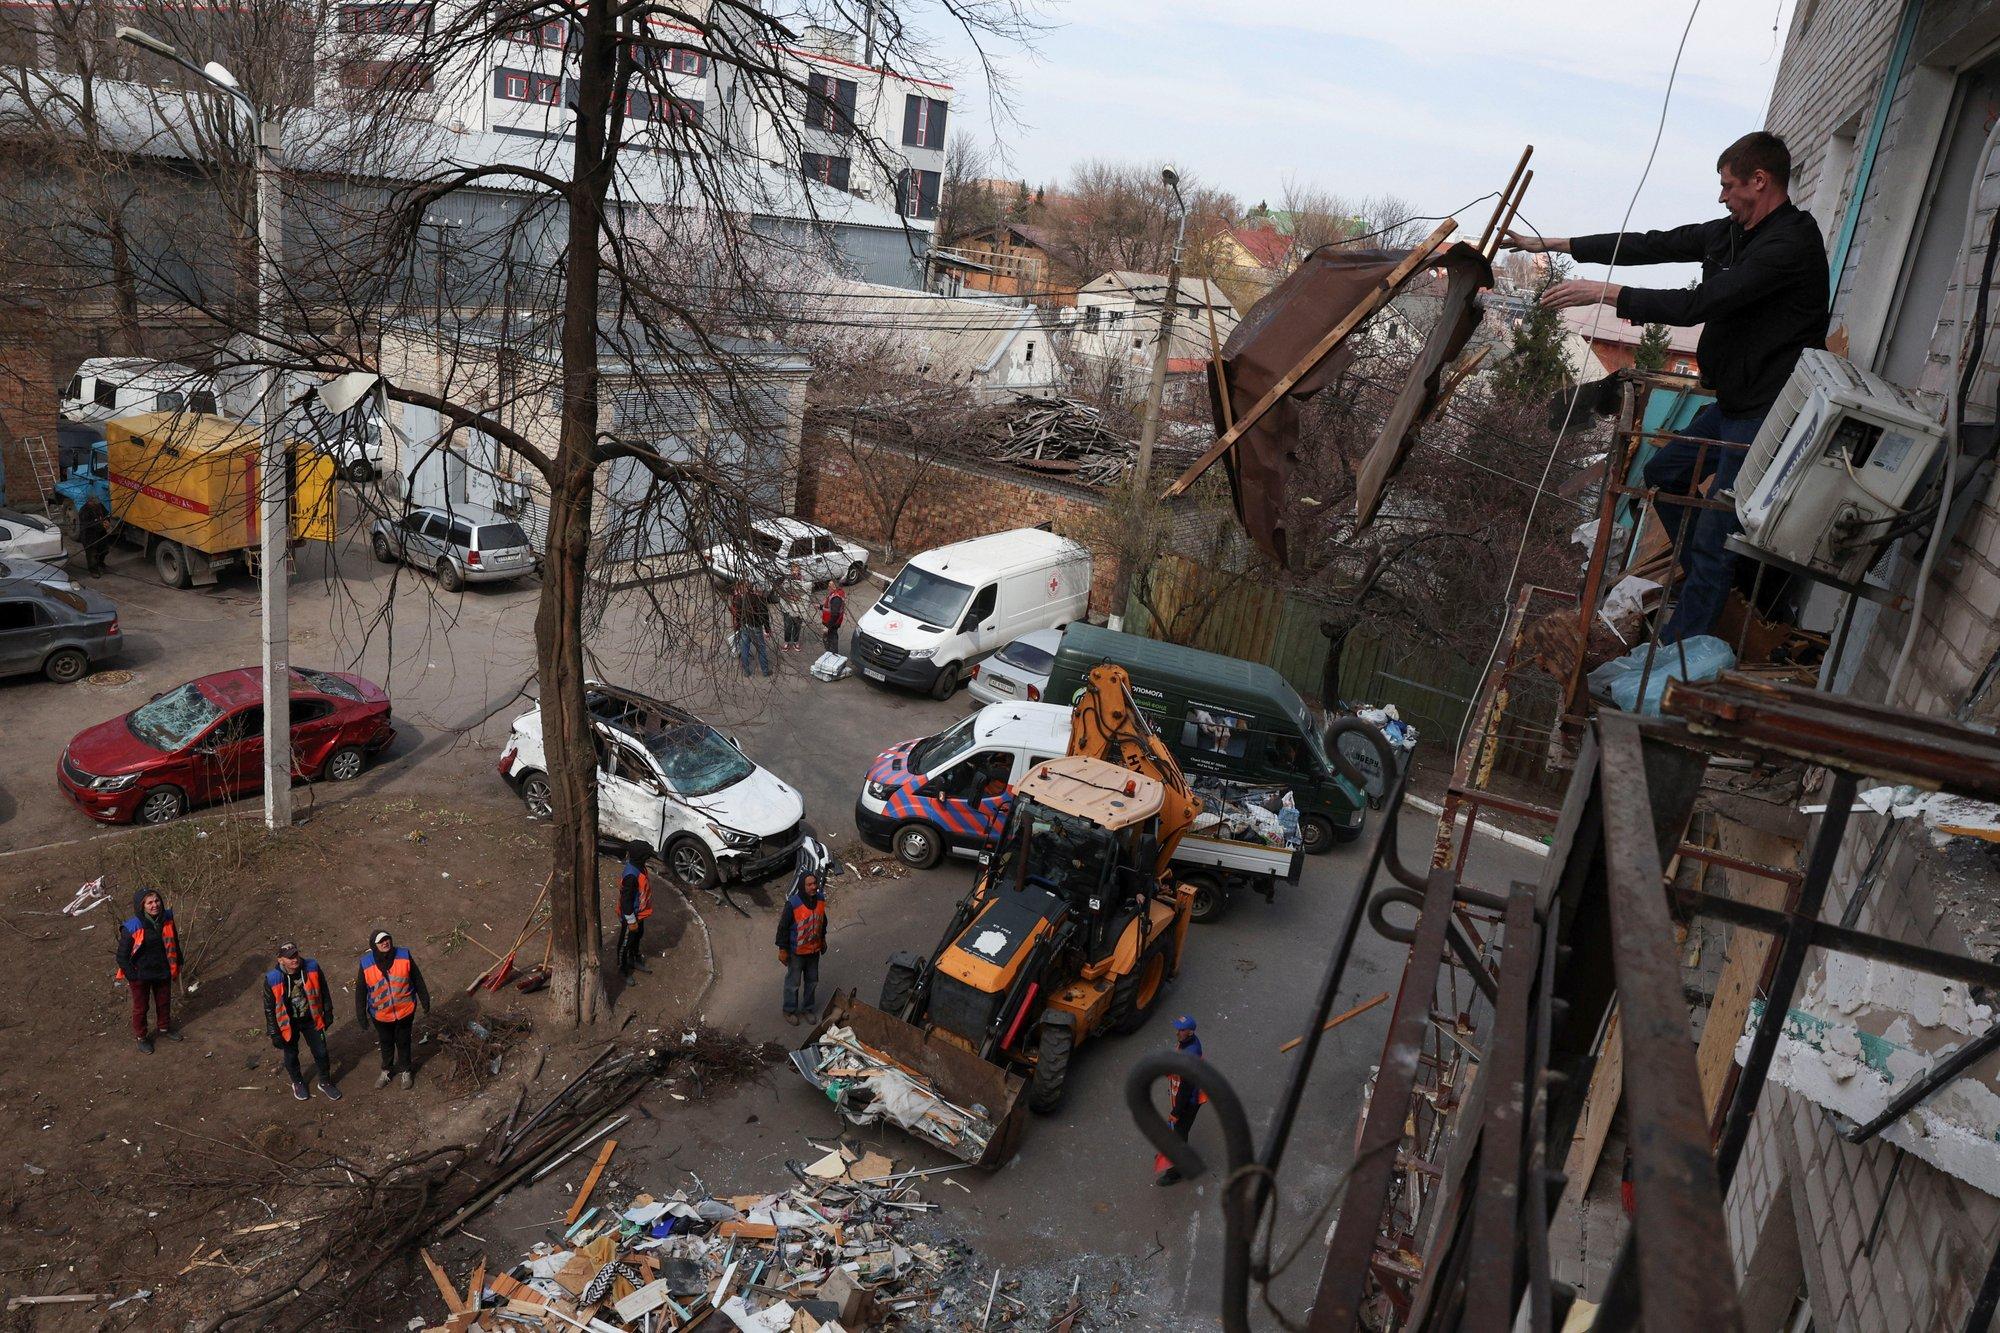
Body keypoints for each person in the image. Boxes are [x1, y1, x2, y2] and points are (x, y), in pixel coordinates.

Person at [1506, 131, 1829, 643]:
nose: (1722, 196)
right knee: (1664, 472)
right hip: (1732, 402)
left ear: (1760, 181)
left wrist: (1606, 293)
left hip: (1766, 411)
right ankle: (1719, 581)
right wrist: (1548, 244)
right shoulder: (1731, 233)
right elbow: (1650, 244)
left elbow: (1700, 304)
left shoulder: (1790, 244)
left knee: (1717, 535)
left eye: (1728, 185)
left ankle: (1679, 649)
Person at [355, 930, 430, 1089]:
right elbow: (361, 991)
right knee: (386, 1042)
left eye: (387, 939)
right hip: (381, 1015)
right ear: (374, 946)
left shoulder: (403, 955)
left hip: (405, 1010)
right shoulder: (366, 963)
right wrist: (361, 1015)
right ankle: (386, 1070)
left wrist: (425, 1000)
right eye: (381, 941)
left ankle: (406, 1070)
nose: (385, 943)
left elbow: (417, 978)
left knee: (403, 1041)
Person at [264, 944, 341, 1101]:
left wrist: (328, 1011)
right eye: (290, 957)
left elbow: (324, 990)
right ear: (280, 960)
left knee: (321, 1052)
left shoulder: (312, 967)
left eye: (296, 955)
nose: (294, 959)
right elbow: (269, 1008)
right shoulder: (272, 979)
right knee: (291, 1055)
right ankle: (297, 1082)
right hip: (288, 1024)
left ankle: (325, 1082)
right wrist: (274, 1032)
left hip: (311, 1019)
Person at [115, 888, 184, 1053]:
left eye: (157, 901)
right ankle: (141, 1037)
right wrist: (133, 975)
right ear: (142, 906)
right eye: (150, 903)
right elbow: (122, 957)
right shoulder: (132, 927)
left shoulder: (167, 918)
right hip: (140, 975)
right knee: (141, 1007)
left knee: (164, 1001)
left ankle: (164, 1028)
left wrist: (178, 961)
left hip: (162, 970)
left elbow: (174, 940)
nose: (155, 905)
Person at [1154, 1014, 1209, 1186]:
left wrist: (1176, 1112)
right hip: (1185, 1097)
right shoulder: (1187, 1043)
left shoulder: (1190, 1054)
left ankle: (1177, 1172)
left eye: (1182, 1030)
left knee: (1179, 1135)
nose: (1178, 1032)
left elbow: (1186, 1090)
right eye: (1178, 1028)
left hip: (1189, 1102)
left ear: (1191, 1032)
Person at [774, 866, 828, 1026]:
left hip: (814, 951)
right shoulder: (792, 904)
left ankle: (807, 1009)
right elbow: (783, 927)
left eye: (815, 883)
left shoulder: (820, 900)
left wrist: (823, 939)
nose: (813, 887)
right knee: (793, 983)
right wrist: (782, 949)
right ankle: (789, 1010)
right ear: (802, 887)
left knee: (812, 982)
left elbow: (822, 921)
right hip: (796, 952)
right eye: (809, 884)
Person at [616, 840, 654, 983]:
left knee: (637, 937)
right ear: (641, 857)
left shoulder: (640, 868)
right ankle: (623, 968)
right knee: (626, 942)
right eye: (647, 855)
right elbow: (626, 902)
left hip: (640, 914)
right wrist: (631, 921)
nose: (649, 857)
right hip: (630, 917)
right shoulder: (631, 876)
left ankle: (633, 959)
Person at [729, 579, 772, 677]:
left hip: (744, 626)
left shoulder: (737, 598)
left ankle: (746, 671)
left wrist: (738, 624)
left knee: (744, 648)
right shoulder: (757, 598)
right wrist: (767, 629)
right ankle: (765, 671)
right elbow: (765, 615)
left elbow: (735, 613)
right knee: (761, 649)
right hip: (756, 626)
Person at [778, 563, 811, 653]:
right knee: (788, 625)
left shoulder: (803, 579)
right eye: (794, 570)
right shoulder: (786, 579)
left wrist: (800, 597)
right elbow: (780, 591)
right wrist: (789, 597)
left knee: (797, 625)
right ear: (791, 571)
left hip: (799, 606)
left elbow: (807, 592)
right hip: (788, 607)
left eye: (797, 570)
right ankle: (787, 641)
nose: (796, 572)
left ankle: (796, 641)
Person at [77, 493, 111, 576]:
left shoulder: (99, 506)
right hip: (89, 536)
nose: (96, 503)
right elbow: (89, 524)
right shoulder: (84, 511)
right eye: (94, 501)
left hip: (101, 534)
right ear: (89, 501)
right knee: (92, 554)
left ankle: (100, 563)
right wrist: (101, 525)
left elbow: (106, 514)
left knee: (104, 550)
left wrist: (107, 521)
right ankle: (93, 571)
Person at [819, 582, 847, 657]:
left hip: (831, 624)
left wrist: (827, 627)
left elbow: (835, 614)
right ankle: (831, 654)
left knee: (831, 640)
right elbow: (830, 608)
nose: (828, 588)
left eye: (829, 586)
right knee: (831, 639)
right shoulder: (836, 594)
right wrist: (820, 607)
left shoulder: (836, 598)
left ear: (834, 587)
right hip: (832, 623)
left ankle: (832, 656)